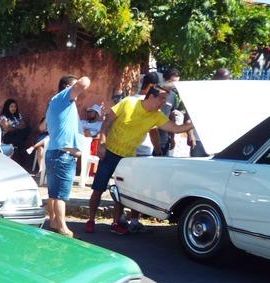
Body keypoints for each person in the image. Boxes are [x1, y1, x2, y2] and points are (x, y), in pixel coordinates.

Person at [85, 85, 194, 235]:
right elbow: (107, 121)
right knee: (98, 188)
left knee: (122, 191)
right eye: (162, 99)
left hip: (129, 158)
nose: (164, 103)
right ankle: (91, 220)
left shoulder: (157, 115)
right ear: (151, 96)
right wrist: (102, 144)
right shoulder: (128, 102)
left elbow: (175, 128)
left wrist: (194, 123)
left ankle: (116, 223)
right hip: (109, 152)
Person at [44, 73, 91, 237]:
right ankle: (62, 227)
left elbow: (44, 126)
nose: (77, 92)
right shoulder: (63, 97)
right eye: (73, 87)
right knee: (61, 195)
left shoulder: (56, 102)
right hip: (63, 155)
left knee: (53, 192)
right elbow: (83, 83)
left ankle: (53, 221)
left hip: (55, 152)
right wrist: (80, 82)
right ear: (67, 87)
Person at [158, 67, 180, 155]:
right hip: (149, 141)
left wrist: (172, 137)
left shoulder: (173, 96)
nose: (174, 85)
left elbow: (172, 117)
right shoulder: (154, 92)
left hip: (164, 141)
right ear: (164, 79)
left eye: (177, 82)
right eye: (172, 82)